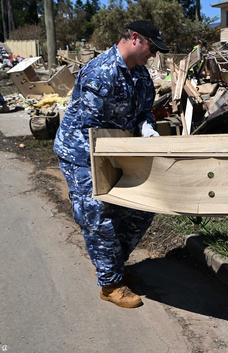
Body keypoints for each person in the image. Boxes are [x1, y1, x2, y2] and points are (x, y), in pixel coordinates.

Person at [53, 20, 169, 308]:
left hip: (118, 149)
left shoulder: (141, 77)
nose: (152, 55)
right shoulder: (100, 72)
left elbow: (143, 112)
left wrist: (147, 128)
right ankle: (110, 284)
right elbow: (88, 125)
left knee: (142, 208)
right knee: (95, 212)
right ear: (134, 38)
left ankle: (114, 262)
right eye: (151, 48)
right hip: (80, 150)